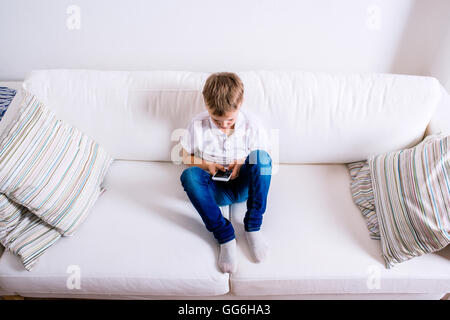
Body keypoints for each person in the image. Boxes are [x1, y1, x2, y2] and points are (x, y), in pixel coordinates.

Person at [179, 72, 272, 274]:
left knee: (261, 158)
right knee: (189, 176)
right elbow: (184, 155)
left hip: (244, 185)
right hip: (215, 189)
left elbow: (263, 158)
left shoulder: (252, 124)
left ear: (241, 104)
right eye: (216, 119)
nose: (223, 125)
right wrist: (208, 165)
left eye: (229, 120)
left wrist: (241, 162)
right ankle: (225, 236)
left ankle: (253, 227)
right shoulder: (197, 124)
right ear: (206, 106)